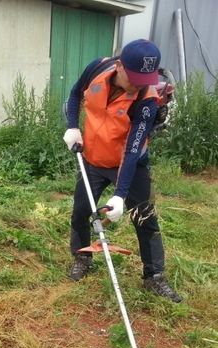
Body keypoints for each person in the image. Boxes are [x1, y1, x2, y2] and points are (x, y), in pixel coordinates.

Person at [63, 39, 182, 303]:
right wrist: (72, 126)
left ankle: (155, 276)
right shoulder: (97, 69)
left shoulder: (146, 99)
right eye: (136, 77)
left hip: (129, 165)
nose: (141, 83)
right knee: (81, 211)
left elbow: (132, 149)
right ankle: (83, 256)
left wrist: (120, 194)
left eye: (146, 78)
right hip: (93, 160)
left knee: (144, 217)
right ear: (119, 66)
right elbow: (74, 94)